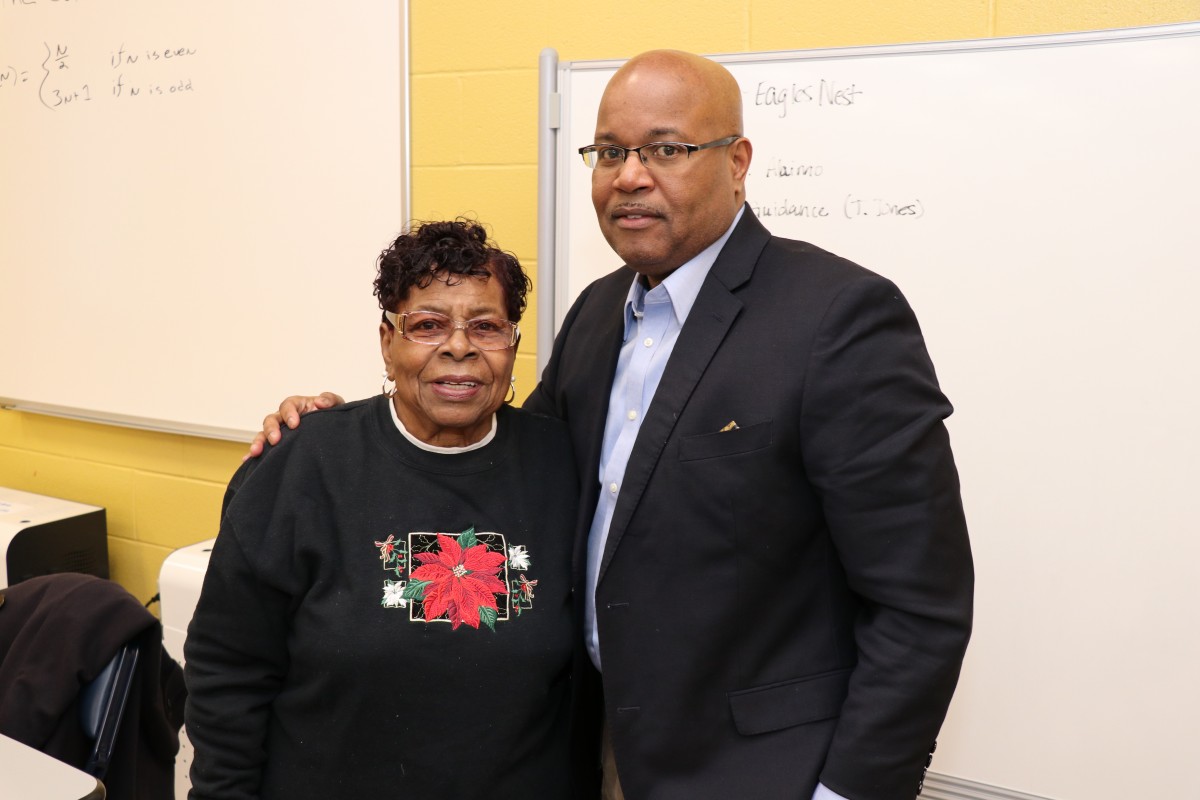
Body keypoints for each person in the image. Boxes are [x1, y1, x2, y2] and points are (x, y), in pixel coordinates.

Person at [251, 50, 974, 800]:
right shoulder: (599, 314)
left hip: (756, 771)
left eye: (667, 149)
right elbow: (504, 480)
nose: (630, 175)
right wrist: (338, 431)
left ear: (737, 162)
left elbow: (920, 607)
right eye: (610, 152)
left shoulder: (837, 318)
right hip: (590, 750)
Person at [184, 220, 583, 800]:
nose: (459, 346)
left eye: (486, 327)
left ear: (513, 344)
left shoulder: (563, 466)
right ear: (386, 341)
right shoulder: (302, 466)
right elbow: (227, 671)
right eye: (427, 325)